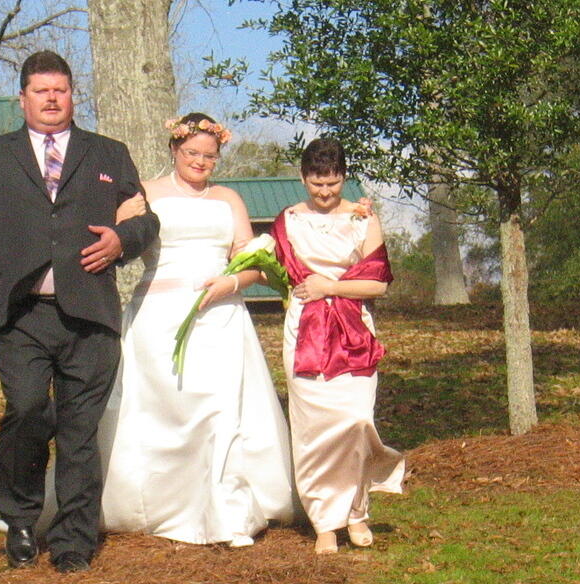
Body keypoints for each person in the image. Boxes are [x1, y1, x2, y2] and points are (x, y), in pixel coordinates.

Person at [0, 50, 159, 573]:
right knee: (30, 412)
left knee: (80, 430)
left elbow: (147, 222)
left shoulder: (109, 154)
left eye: (60, 90)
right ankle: (19, 516)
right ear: (23, 99)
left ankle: (73, 543)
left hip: (90, 315)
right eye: (41, 91)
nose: (52, 99)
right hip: (21, 316)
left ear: (72, 96)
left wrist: (122, 240)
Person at [96, 112, 296, 546]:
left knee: (220, 409)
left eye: (209, 156)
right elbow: (122, 241)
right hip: (158, 314)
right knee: (161, 408)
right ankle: (153, 502)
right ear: (174, 149)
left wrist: (231, 281)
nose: (200, 163)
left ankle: (224, 510)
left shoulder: (229, 200)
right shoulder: (145, 192)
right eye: (192, 153)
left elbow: (255, 264)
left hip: (219, 314)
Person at [271, 138, 404, 554]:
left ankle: (357, 511)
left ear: (344, 177)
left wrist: (330, 285)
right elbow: (274, 271)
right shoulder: (288, 220)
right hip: (305, 329)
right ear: (303, 178)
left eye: (333, 183)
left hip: (352, 330)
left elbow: (378, 283)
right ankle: (325, 521)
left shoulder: (364, 219)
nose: (325, 192)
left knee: (356, 421)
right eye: (316, 183)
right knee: (313, 430)